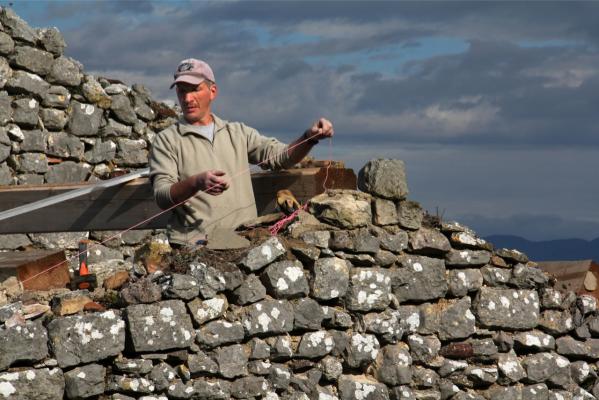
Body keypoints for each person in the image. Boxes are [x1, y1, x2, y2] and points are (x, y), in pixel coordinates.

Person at [148, 58, 334, 246]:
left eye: (195, 89)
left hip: (243, 243)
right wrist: (197, 182)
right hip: (193, 247)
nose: (187, 99)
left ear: (213, 92)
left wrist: (310, 137)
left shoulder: (238, 132)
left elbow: (282, 157)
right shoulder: (166, 140)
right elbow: (162, 197)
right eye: (182, 91)